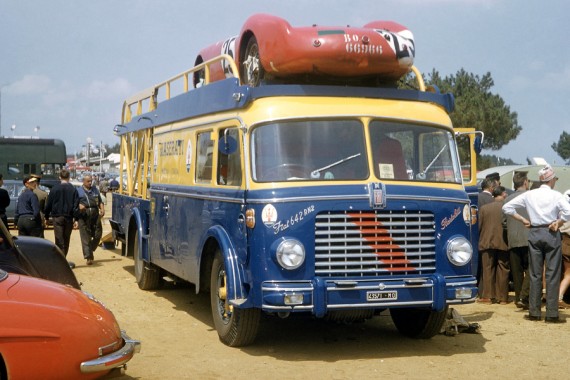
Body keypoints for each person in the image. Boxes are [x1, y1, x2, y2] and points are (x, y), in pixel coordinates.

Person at [503, 165, 570, 323]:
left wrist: (523, 219)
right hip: (551, 233)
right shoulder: (556, 195)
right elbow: (568, 212)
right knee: (552, 274)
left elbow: (507, 207)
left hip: (534, 232)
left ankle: (534, 311)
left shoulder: (530, 194)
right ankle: (552, 313)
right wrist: (558, 223)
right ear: (551, 179)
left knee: (534, 273)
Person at [478, 186, 510, 304]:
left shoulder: (484, 208)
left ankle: (487, 296)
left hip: (486, 241)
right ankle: (502, 298)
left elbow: (479, 226)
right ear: (502, 194)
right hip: (503, 242)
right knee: (503, 268)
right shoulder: (507, 208)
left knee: (487, 268)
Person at [504, 171, 530, 309]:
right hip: (529, 238)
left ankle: (519, 297)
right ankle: (525, 296)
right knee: (532, 269)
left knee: (517, 271)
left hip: (513, 239)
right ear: (525, 182)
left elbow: (503, 221)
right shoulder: (530, 198)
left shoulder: (507, 199)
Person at [44, 169, 79, 257]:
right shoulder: (73, 189)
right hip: (69, 217)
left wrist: (46, 217)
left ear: (60, 177)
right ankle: (64, 257)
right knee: (66, 239)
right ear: (69, 177)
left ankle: (60, 259)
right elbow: (76, 205)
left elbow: (49, 204)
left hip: (57, 217)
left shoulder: (54, 189)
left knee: (59, 239)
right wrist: (76, 219)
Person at [76, 174, 104, 265]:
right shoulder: (78, 191)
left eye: (91, 181)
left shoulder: (95, 190)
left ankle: (90, 248)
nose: (90, 183)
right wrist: (79, 206)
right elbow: (74, 204)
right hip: (83, 215)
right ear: (83, 181)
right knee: (85, 236)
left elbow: (100, 201)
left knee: (98, 233)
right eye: (88, 181)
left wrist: (102, 209)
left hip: (95, 214)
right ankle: (89, 257)